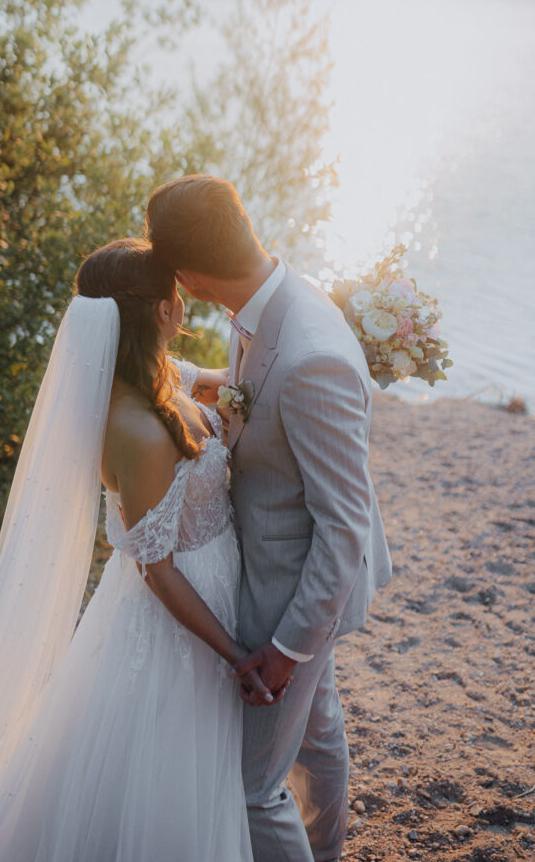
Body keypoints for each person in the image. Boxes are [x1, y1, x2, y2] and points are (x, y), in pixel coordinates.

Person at [0, 238, 271, 861]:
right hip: (180, 622)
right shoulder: (139, 429)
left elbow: (224, 384)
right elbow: (157, 571)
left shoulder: (155, 377)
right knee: (160, 766)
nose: (183, 301)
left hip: (202, 588)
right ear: (160, 310)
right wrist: (235, 654)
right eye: (177, 292)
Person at [147, 175, 393, 862]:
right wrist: (181, 373)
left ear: (189, 279)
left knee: (252, 785)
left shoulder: (312, 354)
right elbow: (253, 394)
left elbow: (343, 524)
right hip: (283, 569)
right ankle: (326, 849)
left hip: (294, 589)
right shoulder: (271, 297)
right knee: (317, 736)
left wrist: (286, 650)